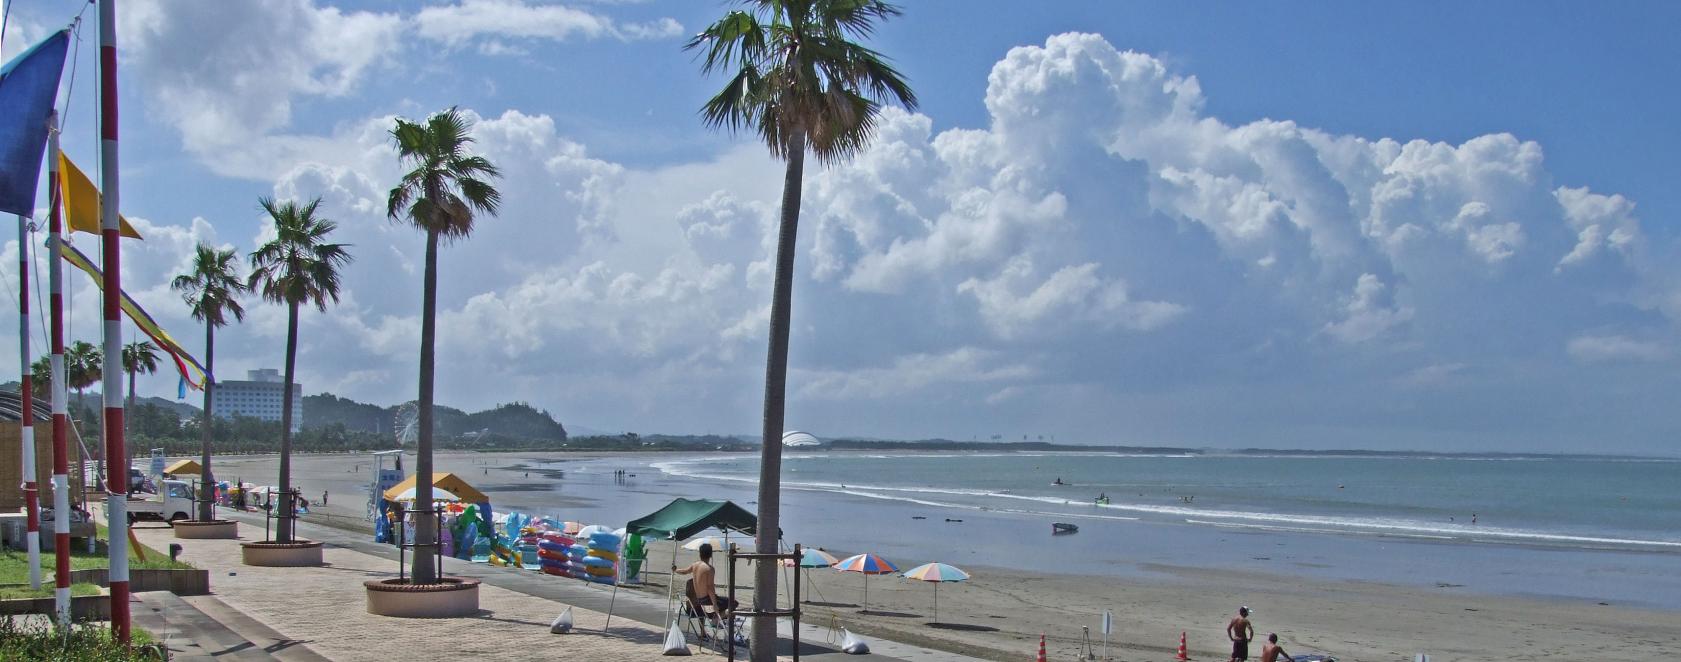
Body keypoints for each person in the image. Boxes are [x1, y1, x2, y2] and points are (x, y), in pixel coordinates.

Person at [675, 543, 728, 625]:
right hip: (706, 600)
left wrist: (675, 570)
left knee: (723, 602)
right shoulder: (709, 569)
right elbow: (710, 587)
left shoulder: (695, 565)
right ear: (711, 555)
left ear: (700, 554)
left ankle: (713, 620)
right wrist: (714, 604)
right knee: (732, 603)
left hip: (698, 600)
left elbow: (684, 571)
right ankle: (715, 619)